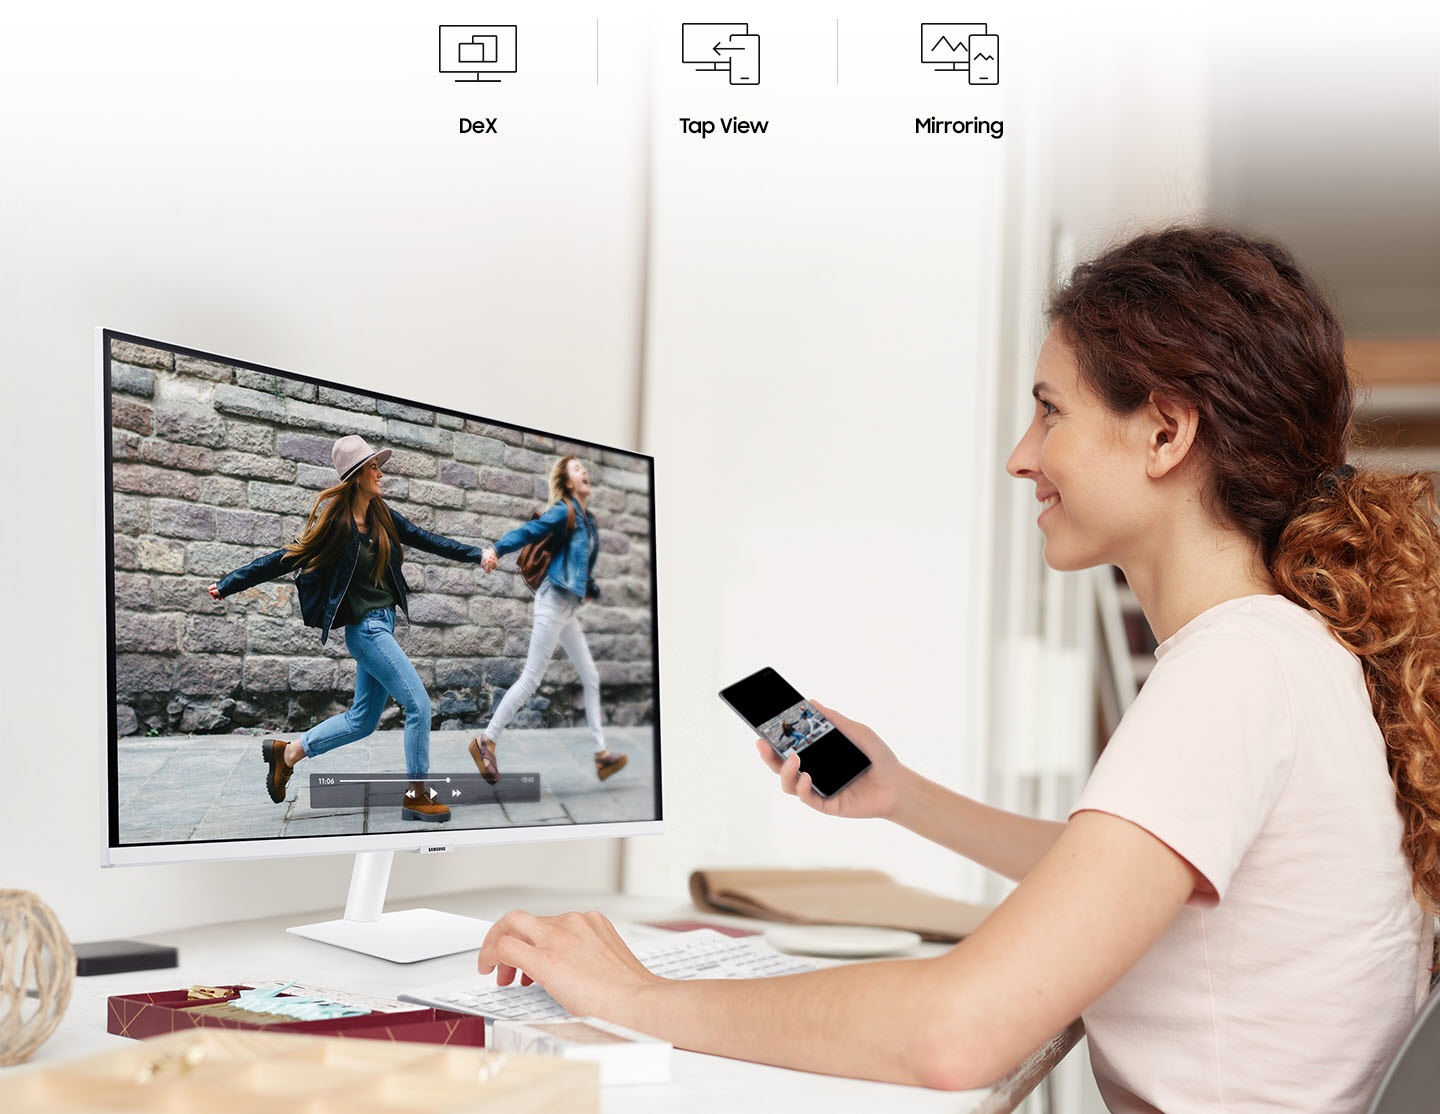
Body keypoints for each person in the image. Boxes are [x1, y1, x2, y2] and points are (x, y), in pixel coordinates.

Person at [472, 227, 1440, 1109]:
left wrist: (634, 994)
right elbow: (1122, 877)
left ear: (1165, 432)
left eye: (1050, 412)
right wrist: (902, 794)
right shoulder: (1285, 653)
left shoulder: (1233, 673)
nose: (1024, 457)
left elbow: (955, 1033)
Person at [209, 434, 490, 824]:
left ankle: (287, 753)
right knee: (418, 704)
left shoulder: (382, 515)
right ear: (357, 475)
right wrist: (230, 583)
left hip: (383, 626)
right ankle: (417, 796)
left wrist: (476, 554)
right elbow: (283, 558)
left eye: (379, 465)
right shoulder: (337, 526)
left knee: (362, 721)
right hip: (366, 631)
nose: (381, 473)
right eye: (374, 467)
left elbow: (427, 539)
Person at [469, 455, 628, 784]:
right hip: (552, 601)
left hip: (568, 609)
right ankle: (486, 740)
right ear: (568, 483)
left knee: (591, 676)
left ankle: (601, 755)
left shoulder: (589, 520)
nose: (584, 472)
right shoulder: (564, 510)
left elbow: (580, 565)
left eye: (584, 468)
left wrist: (591, 588)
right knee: (531, 680)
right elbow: (530, 530)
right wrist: (497, 549)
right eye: (577, 470)